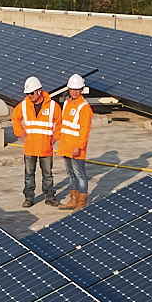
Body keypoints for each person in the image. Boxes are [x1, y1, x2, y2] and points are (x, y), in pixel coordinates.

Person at [11, 76, 57, 206]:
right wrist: (20, 132)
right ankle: (29, 198)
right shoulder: (24, 105)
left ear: (39, 91)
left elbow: (60, 122)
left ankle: (49, 197)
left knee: (47, 175)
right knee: (29, 175)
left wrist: (56, 136)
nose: (29, 96)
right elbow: (15, 118)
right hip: (30, 146)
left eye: (31, 93)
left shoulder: (53, 106)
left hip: (45, 146)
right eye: (27, 94)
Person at [53, 74, 94, 207]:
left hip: (76, 147)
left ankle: (82, 202)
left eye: (77, 89)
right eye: (72, 89)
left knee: (80, 174)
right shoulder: (67, 103)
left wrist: (79, 146)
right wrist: (56, 137)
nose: (74, 91)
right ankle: (73, 200)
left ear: (82, 89)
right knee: (71, 174)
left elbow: (84, 130)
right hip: (66, 146)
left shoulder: (84, 107)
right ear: (68, 89)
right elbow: (63, 124)